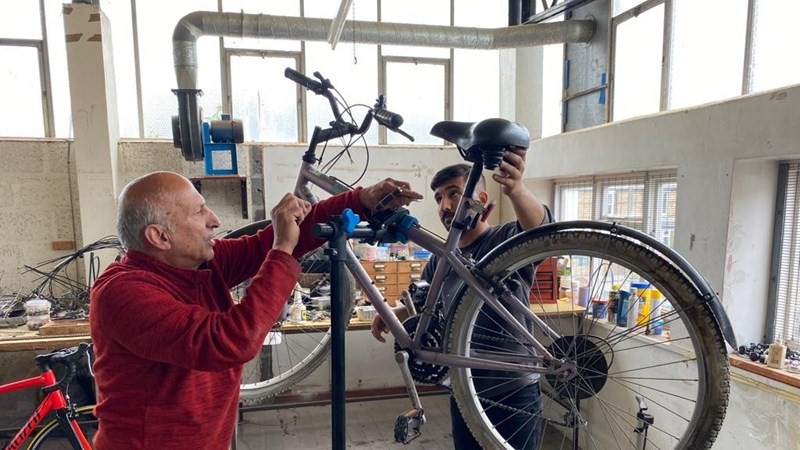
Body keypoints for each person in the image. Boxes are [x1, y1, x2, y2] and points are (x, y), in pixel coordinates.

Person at [89, 171, 422, 450]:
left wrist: (360, 199)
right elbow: (229, 342)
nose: (214, 221)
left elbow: (263, 244)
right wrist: (282, 251)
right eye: (199, 212)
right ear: (160, 236)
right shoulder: (123, 293)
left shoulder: (200, 264)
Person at [370, 150, 553, 449]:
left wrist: (517, 190)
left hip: (513, 388)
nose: (446, 205)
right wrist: (394, 312)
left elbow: (541, 229)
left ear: (481, 200)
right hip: (464, 389)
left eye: (454, 193)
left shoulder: (503, 239)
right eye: (439, 198)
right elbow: (431, 307)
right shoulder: (440, 260)